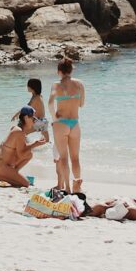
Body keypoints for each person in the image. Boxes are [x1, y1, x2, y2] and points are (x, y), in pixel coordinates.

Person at [49, 57, 85, 193]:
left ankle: (68, 189)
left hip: (61, 123)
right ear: (71, 70)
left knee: (63, 158)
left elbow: (50, 103)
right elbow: (81, 104)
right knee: (75, 158)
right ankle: (78, 186)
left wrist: (54, 117)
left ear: (59, 71)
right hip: (75, 123)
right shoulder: (80, 84)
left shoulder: (56, 85)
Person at [0, 107, 46, 188]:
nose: (34, 120)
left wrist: (36, 143)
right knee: (25, 184)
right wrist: (34, 144)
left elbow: (23, 150)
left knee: (29, 154)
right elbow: (21, 154)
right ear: (26, 117)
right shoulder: (19, 132)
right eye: (32, 118)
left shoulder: (17, 129)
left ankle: (12, 174)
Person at [23, 78, 50, 151]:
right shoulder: (38, 96)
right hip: (43, 121)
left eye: (28, 86)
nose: (27, 87)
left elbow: (26, 108)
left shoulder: (35, 98)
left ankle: (28, 148)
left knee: (22, 133)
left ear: (32, 88)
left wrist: (16, 114)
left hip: (39, 121)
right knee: (47, 141)